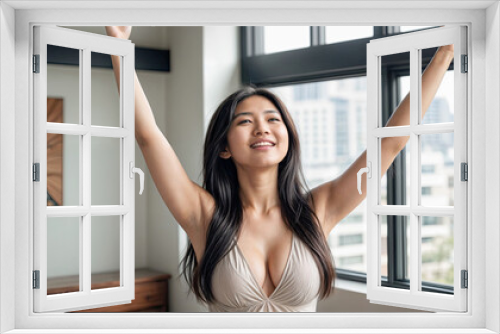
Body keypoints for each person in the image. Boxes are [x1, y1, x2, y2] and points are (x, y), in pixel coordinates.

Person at [105, 26, 454, 312]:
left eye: (273, 119)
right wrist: (121, 47)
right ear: (224, 147)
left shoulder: (318, 210)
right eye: (245, 121)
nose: (263, 128)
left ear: (287, 137)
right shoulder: (204, 215)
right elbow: (148, 137)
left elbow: (390, 142)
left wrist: (444, 54)